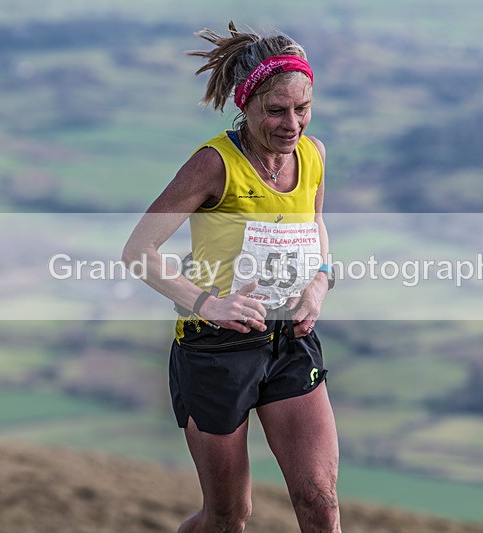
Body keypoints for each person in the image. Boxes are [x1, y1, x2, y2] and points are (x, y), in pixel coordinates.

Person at [122, 22, 341, 533]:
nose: (293, 125)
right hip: (215, 349)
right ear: (245, 106)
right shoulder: (213, 164)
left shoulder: (314, 155)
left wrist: (321, 280)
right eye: (276, 111)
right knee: (227, 515)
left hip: (290, 340)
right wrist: (208, 304)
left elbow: (316, 225)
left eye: (302, 109)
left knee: (320, 502)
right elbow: (139, 250)